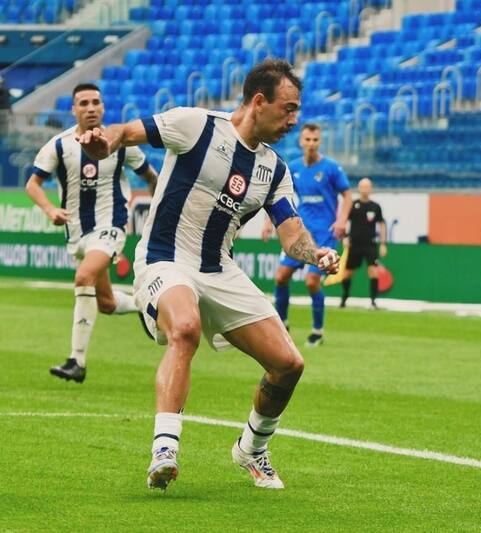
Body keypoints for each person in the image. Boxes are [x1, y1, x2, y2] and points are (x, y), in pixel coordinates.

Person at [77, 59, 340, 491]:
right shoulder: (196, 125)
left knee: (289, 364)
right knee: (185, 328)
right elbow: (125, 131)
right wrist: (102, 143)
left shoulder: (274, 169)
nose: (294, 120)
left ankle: (252, 448)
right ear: (259, 101)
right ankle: (164, 449)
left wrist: (316, 254)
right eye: (288, 109)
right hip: (165, 258)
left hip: (219, 269)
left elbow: (292, 235)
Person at [26, 82, 158, 383]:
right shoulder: (60, 145)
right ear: (73, 109)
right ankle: (141, 303)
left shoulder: (121, 142)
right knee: (106, 303)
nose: (90, 108)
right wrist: (50, 210)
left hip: (110, 226)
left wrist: (158, 205)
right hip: (77, 233)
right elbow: (33, 184)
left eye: (95, 102)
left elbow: (150, 176)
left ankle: (77, 361)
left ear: (103, 107)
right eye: (83, 103)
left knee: (84, 277)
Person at [262, 122, 352, 346]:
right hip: (299, 233)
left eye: (315, 140)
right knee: (281, 277)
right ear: (301, 141)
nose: (311, 144)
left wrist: (342, 220)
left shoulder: (331, 168)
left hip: (324, 234)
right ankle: (283, 325)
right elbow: (278, 196)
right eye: (307, 140)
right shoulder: (293, 167)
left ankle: (317, 332)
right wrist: (268, 222)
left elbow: (348, 195)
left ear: (320, 142)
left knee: (312, 281)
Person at [340, 177, 387, 309]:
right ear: (359, 189)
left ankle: (373, 301)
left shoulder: (375, 207)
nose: (365, 189)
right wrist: (345, 237)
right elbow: (344, 221)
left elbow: (382, 224)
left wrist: (383, 243)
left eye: (367, 187)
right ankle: (344, 297)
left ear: (370, 189)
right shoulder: (353, 205)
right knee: (347, 274)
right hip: (354, 244)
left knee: (373, 271)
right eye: (362, 187)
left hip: (370, 244)